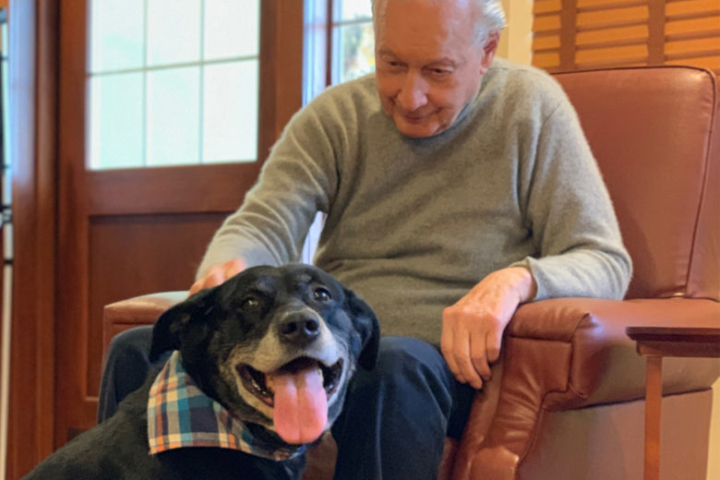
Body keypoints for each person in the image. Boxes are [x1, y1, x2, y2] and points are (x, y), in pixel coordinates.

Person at [99, 0, 632, 478]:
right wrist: (231, 270)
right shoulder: (337, 115)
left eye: (437, 71)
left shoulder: (531, 108)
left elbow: (604, 259)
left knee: (393, 367)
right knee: (137, 350)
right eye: (392, 64)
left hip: (437, 368)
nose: (411, 95)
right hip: (330, 346)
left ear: (487, 51)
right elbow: (263, 220)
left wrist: (517, 282)